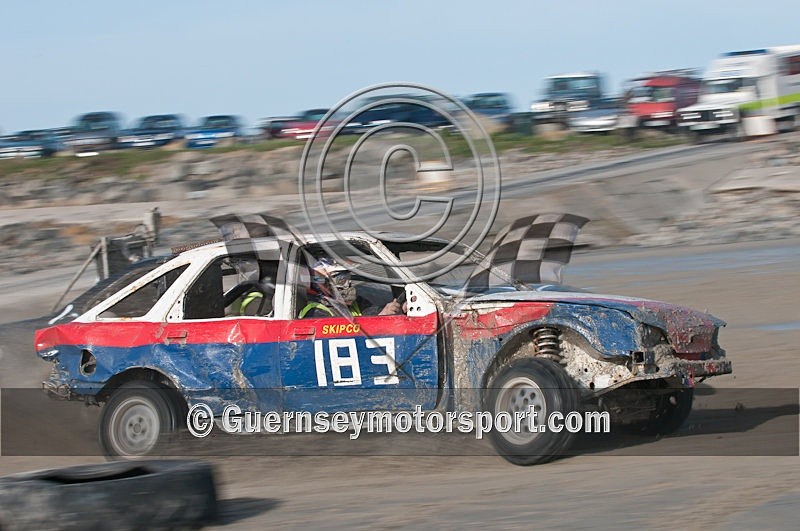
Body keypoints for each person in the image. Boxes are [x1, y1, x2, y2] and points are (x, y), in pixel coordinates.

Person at [299, 258, 403, 318]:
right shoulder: (315, 312)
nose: (348, 284)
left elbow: (373, 312)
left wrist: (398, 308)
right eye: (342, 279)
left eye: (348, 278)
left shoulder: (356, 304)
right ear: (324, 284)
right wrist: (381, 317)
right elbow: (342, 338)